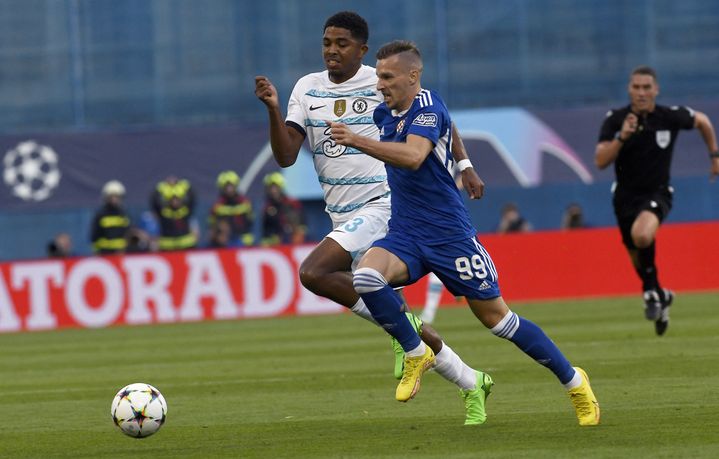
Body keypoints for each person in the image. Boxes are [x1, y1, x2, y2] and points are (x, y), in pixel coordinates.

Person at [328, 39, 600, 426]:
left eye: (387, 77)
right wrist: (464, 161)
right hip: (406, 231)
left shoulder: (426, 106)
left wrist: (356, 141)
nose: (380, 84)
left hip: (449, 236)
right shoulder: (384, 115)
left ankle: (575, 382)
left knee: (500, 322)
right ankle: (415, 352)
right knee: (367, 278)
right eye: (380, 77)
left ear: (413, 76)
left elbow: (415, 155)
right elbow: (450, 126)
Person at [255, 11, 492, 425]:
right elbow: (286, 155)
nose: (332, 49)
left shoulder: (381, 79)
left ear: (361, 50)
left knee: (313, 272)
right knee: (401, 323)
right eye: (327, 42)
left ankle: (407, 334)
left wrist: (464, 163)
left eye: (342, 43)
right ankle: (472, 381)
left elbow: (437, 113)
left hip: (384, 205)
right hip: (341, 214)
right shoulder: (306, 89)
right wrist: (274, 110)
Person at [595, 65, 719, 336]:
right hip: (624, 198)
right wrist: (621, 138)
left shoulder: (669, 116)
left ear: (656, 89)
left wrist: (714, 155)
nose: (641, 92)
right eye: (636, 87)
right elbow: (601, 160)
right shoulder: (616, 120)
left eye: (646, 87)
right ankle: (660, 294)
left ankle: (651, 292)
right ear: (629, 89)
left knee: (641, 236)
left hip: (658, 193)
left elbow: (703, 121)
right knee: (635, 253)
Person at [150, 176, 198, 251]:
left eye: (177, 199)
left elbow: (193, 198)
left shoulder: (186, 210)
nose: (175, 202)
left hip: (186, 246)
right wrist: (162, 187)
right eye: (172, 200)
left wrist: (184, 185)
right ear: (168, 200)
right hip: (167, 247)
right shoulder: (163, 212)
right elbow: (154, 202)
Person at [209, 170, 255, 247]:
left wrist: (247, 239)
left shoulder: (244, 202)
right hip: (225, 242)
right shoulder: (218, 205)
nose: (229, 189)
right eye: (226, 187)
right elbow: (212, 224)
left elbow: (250, 221)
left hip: (243, 241)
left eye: (231, 186)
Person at [260, 172, 306, 246]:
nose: (273, 191)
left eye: (276, 188)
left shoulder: (292, 203)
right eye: (271, 188)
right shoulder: (266, 206)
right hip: (275, 242)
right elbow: (266, 227)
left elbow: (302, 222)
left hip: (294, 240)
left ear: (281, 187)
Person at [90, 180, 130, 254]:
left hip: (121, 254)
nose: (114, 199)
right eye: (112, 196)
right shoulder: (101, 214)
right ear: (106, 197)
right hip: (104, 254)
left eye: (117, 196)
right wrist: (98, 252)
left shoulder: (124, 214)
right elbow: (94, 236)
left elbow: (128, 233)